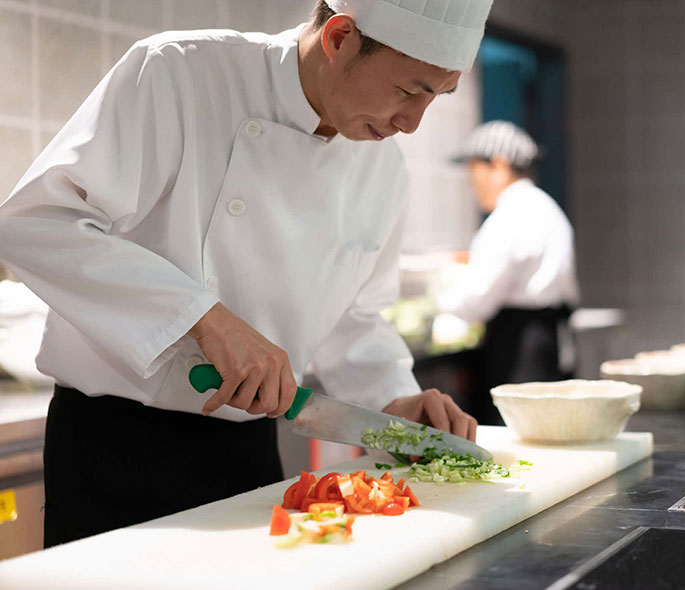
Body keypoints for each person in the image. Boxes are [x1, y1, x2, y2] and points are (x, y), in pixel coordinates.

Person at [0, 0, 493, 547]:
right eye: (408, 90)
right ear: (339, 37)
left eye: (436, 95)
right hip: (115, 448)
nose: (412, 123)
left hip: (250, 454)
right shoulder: (178, 74)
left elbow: (356, 318)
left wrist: (395, 401)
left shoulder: (383, 167)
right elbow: (35, 223)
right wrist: (203, 318)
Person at [438, 121, 579, 423]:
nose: (472, 183)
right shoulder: (546, 207)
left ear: (499, 166)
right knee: (547, 426)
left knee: (518, 431)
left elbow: (480, 296)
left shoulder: (511, 215)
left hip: (520, 345)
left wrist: (444, 303)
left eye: (475, 170)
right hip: (550, 336)